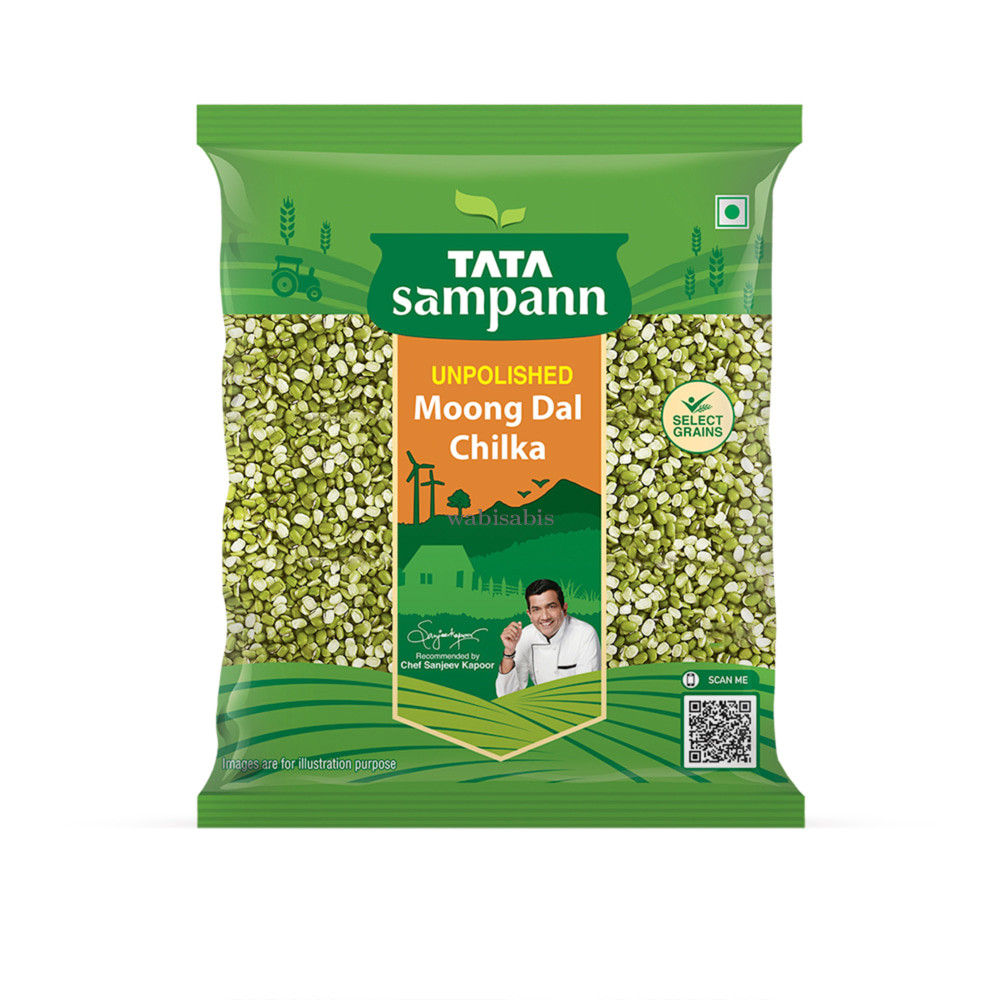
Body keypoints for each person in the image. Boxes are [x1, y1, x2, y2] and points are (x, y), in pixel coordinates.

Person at [495, 579, 600, 697]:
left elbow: (587, 691)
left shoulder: (584, 634)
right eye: (536, 609)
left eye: (551, 607)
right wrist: (509, 652)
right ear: (529, 615)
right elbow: (506, 695)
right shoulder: (525, 636)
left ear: (564, 609)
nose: (545, 617)